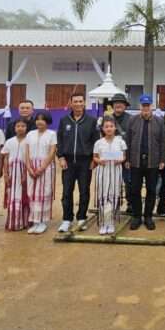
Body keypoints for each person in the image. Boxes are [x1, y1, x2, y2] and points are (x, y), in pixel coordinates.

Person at [56, 93, 99, 233]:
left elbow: (96, 142)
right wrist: (61, 157)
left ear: (84, 103)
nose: (78, 104)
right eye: (75, 101)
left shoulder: (92, 121)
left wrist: (93, 159)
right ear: (71, 103)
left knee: (84, 191)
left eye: (81, 101)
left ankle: (81, 217)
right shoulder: (64, 120)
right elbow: (60, 140)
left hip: (85, 162)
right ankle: (67, 219)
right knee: (67, 192)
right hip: (68, 162)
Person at [126, 94, 165, 231]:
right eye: (143, 105)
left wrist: (162, 159)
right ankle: (137, 216)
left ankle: (148, 216)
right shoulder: (132, 120)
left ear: (152, 106)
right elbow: (128, 140)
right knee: (135, 189)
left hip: (152, 162)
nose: (145, 108)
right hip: (135, 161)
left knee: (151, 190)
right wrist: (127, 159)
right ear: (140, 106)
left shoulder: (159, 121)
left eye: (148, 105)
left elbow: (162, 142)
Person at [93, 116, 127, 235]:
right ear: (102, 129)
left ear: (115, 128)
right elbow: (95, 157)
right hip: (103, 171)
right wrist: (99, 161)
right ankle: (103, 222)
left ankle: (111, 222)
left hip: (116, 171)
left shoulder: (120, 141)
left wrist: (121, 160)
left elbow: (124, 156)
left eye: (111, 126)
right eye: (106, 126)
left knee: (114, 195)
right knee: (103, 195)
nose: (109, 128)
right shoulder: (98, 142)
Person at [25, 112, 57, 234]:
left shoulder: (52, 134)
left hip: (46, 167)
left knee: (44, 193)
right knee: (32, 193)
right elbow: (27, 152)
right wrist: (29, 167)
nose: (39, 122)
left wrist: (42, 168)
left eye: (42, 119)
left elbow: (52, 152)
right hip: (32, 167)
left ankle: (43, 222)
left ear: (47, 121)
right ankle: (35, 221)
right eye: (37, 119)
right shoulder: (30, 134)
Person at [1, 118, 30, 232]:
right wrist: (5, 173)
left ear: (26, 128)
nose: (20, 128)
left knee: (24, 196)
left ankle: (25, 221)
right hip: (12, 172)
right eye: (18, 126)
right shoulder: (9, 141)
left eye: (23, 126)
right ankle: (13, 222)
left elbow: (29, 159)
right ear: (14, 128)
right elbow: (5, 157)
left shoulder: (29, 141)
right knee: (12, 196)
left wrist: (25, 174)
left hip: (24, 171)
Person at [109, 93, 133, 214]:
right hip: (111, 157)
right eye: (116, 103)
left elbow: (134, 139)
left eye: (121, 103)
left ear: (125, 105)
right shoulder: (107, 119)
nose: (118, 105)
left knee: (129, 182)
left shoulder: (132, 119)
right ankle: (115, 203)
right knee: (113, 181)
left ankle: (131, 204)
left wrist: (129, 158)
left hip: (127, 157)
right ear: (112, 105)